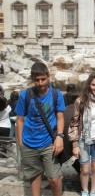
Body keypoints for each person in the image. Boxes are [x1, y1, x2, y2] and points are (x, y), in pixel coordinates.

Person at [15, 62, 65, 196]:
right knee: (35, 175)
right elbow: (19, 121)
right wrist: (21, 144)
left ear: (48, 76)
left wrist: (60, 137)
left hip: (49, 142)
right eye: (37, 80)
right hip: (28, 142)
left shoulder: (56, 94)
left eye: (43, 79)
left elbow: (60, 117)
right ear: (32, 79)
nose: (40, 83)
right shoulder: (25, 95)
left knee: (54, 178)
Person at [68, 72, 95, 196]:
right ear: (89, 85)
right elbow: (74, 123)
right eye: (93, 85)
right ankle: (85, 191)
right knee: (85, 169)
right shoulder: (80, 101)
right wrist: (74, 144)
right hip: (83, 140)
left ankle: (93, 191)